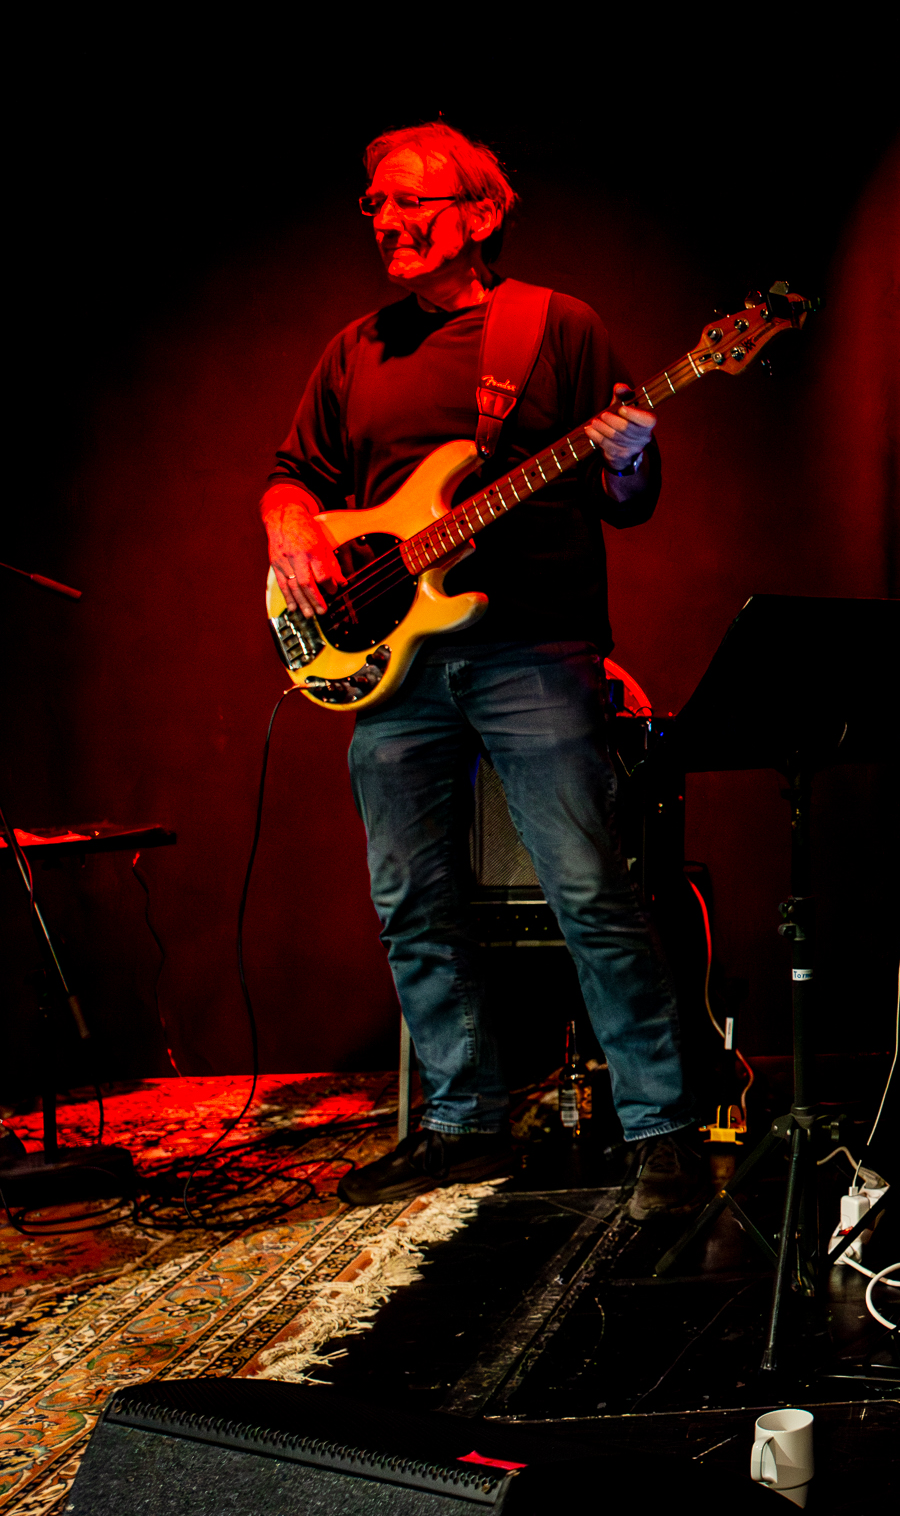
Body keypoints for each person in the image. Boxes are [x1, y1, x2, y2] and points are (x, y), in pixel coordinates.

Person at [261, 122, 701, 1219]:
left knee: (588, 889)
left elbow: (626, 499)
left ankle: (661, 1127)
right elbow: (293, 473)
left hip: (533, 651)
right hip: (390, 667)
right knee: (412, 899)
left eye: (411, 200)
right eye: (375, 204)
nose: (388, 221)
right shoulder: (355, 349)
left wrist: (630, 455)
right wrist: (288, 522)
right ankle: (461, 1124)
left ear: (483, 212)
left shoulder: (554, 326)